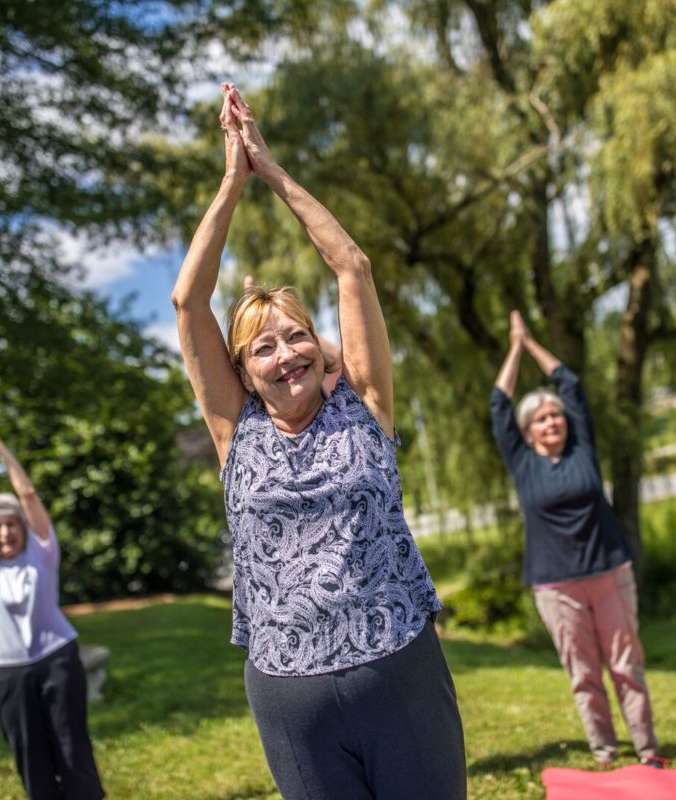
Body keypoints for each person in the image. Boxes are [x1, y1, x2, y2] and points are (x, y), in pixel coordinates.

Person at [171, 83, 466, 799]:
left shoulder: (365, 406)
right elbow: (188, 300)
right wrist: (229, 184)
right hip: (289, 700)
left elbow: (351, 266)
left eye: (298, 335)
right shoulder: (232, 431)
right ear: (241, 370)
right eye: (264, 347)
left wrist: (270, 169)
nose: (287, 353)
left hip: (400, 672)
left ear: (321, 348)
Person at [491, 310, 667, 770]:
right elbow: (498, 404)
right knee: (584, 674)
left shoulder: (581, 450)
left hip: (610, 571)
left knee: (627, 666)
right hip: (556, 586)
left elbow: (569, 383)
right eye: (543, 419)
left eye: (556, 415)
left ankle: (648, 750)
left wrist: (533, 345)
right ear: (527, 434)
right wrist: (514, 348)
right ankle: (605, 753)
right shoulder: (523, 463)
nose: (553, 421)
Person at [0, 402, 104, 799]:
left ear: (23, 527)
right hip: (6, 674)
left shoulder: (42, 553)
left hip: (57, 660)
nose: (5, 533)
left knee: (74, 753)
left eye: (12, 523)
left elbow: (28, 492)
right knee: (31, 762)